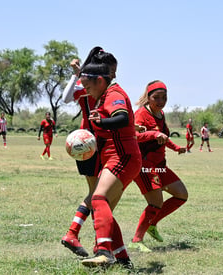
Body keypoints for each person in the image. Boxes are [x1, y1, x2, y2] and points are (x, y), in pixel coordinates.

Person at [79, 47, 141, 267]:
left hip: (122, 155)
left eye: (88, 87)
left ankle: (105, 252)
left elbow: (122, 118)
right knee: (103, 208)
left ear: (99, 81)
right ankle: (123, 259)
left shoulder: (113, 94)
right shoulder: (105, 92)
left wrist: (101, 122)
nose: (87, 92)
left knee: (98, 199)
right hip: (117, 156)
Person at [60, 47, 117, 258]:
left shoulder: (96, 85)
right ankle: (81, 238)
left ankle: (81, 236)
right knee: (98, 197)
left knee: (98, 196)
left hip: (88, 142)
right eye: (112, 70)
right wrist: (78, 74)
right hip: (93, 143)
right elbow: (67, 98)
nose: (114, 75)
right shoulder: (94, 86)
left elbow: (67, 97)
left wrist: (78, 74)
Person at [128, 80, 188, 253]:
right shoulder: (141, 114)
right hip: (144, 165)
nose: (161, 101)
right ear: (148, 97)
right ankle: (136, 241)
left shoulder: (161, 114)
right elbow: (134, 136)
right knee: (156, 202)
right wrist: (154, 133)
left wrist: (176, 147)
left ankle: (152, 223)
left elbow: (162, 137)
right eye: (156, 97)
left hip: (160, 165)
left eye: (164, 97)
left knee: (181, 194)